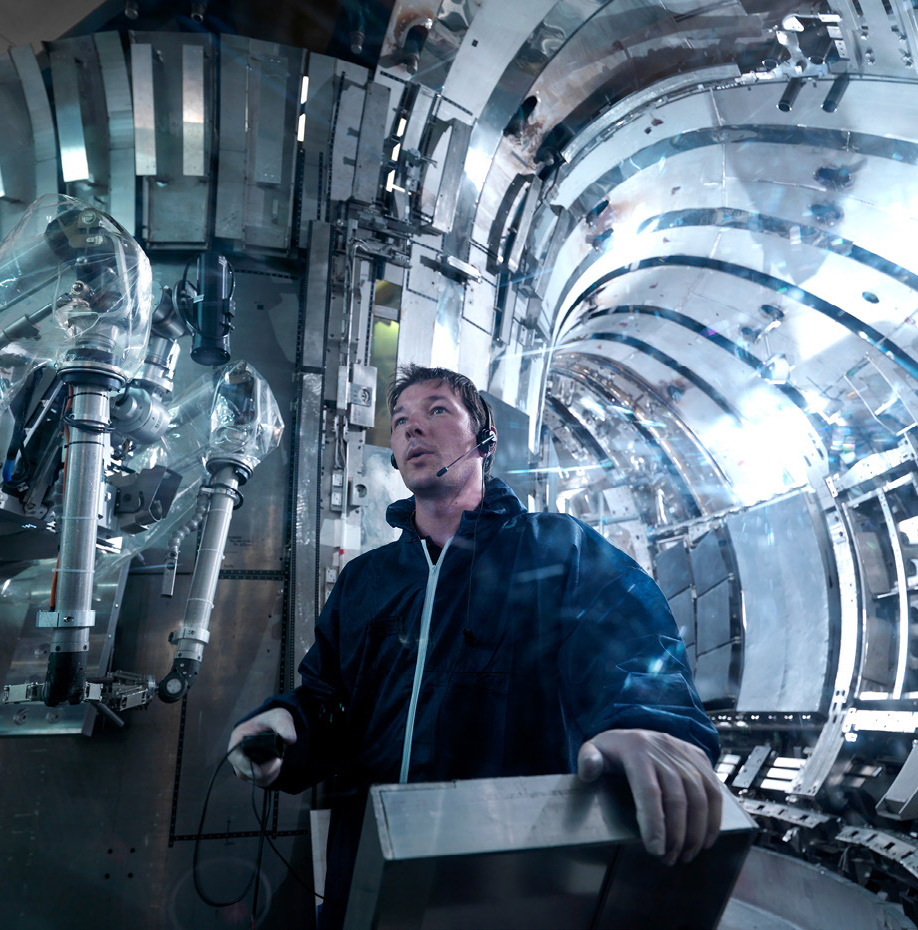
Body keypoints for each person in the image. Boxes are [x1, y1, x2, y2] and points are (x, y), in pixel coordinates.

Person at [229, 364, 723, 929]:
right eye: (402, 421)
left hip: (507, 872)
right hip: (367, 858)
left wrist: (648, 723)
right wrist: (283, 727)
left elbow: (631, 648)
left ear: (484, 440)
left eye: (437, 410)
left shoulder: (557, 552)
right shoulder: (367, 581)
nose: (414, 428)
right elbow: (328, 700)